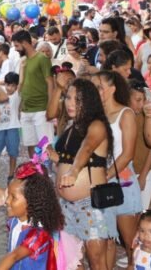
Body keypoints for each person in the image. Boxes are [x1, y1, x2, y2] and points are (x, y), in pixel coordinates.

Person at [47, 78, 114, 270]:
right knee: (71, 261)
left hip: (90, 205)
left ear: (90, 101)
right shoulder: (71, 127)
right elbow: (68, 158)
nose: (70, 103)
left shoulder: (97, 125)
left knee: (97, 261)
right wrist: (56, 158)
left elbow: (87, 148)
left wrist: (73, 172)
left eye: (77, 100)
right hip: (65, 206)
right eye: (68, 98)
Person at [92, 71, 141, 269]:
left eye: (99, 87)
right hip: (101, 180)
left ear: (112, 89)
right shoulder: (95, 115)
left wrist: (106, 174)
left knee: (130, 240)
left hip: (122, 180)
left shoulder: (125, 114)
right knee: (106, 237)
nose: (95, 91)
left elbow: (128, 154)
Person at [0, 162, 69, 270]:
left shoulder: (39, 234)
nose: (7, 201)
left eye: (13, 197)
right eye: (8, 195)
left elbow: (14, 256)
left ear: (31, 202)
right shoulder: (15, 220)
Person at [12, 30, 54, 157]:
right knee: (30, 144)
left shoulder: (42, 59)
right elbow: (21, 84)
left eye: (17, 45)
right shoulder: (23, 61)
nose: (15, 49)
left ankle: (47, 168)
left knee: (45, 144)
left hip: (41, 109)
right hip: (26, 109)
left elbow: (50, 83)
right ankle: (34, 167)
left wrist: (50, 107)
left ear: (25, 43)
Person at [0, 72, 21, 182]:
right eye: (7, 85)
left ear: (16, 86)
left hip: (12, 128)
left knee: (13, 153)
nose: (9, 88)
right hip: (0, 129)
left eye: (13, 86)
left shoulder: (17, 95)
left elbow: (21, 82)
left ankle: (11, 174)